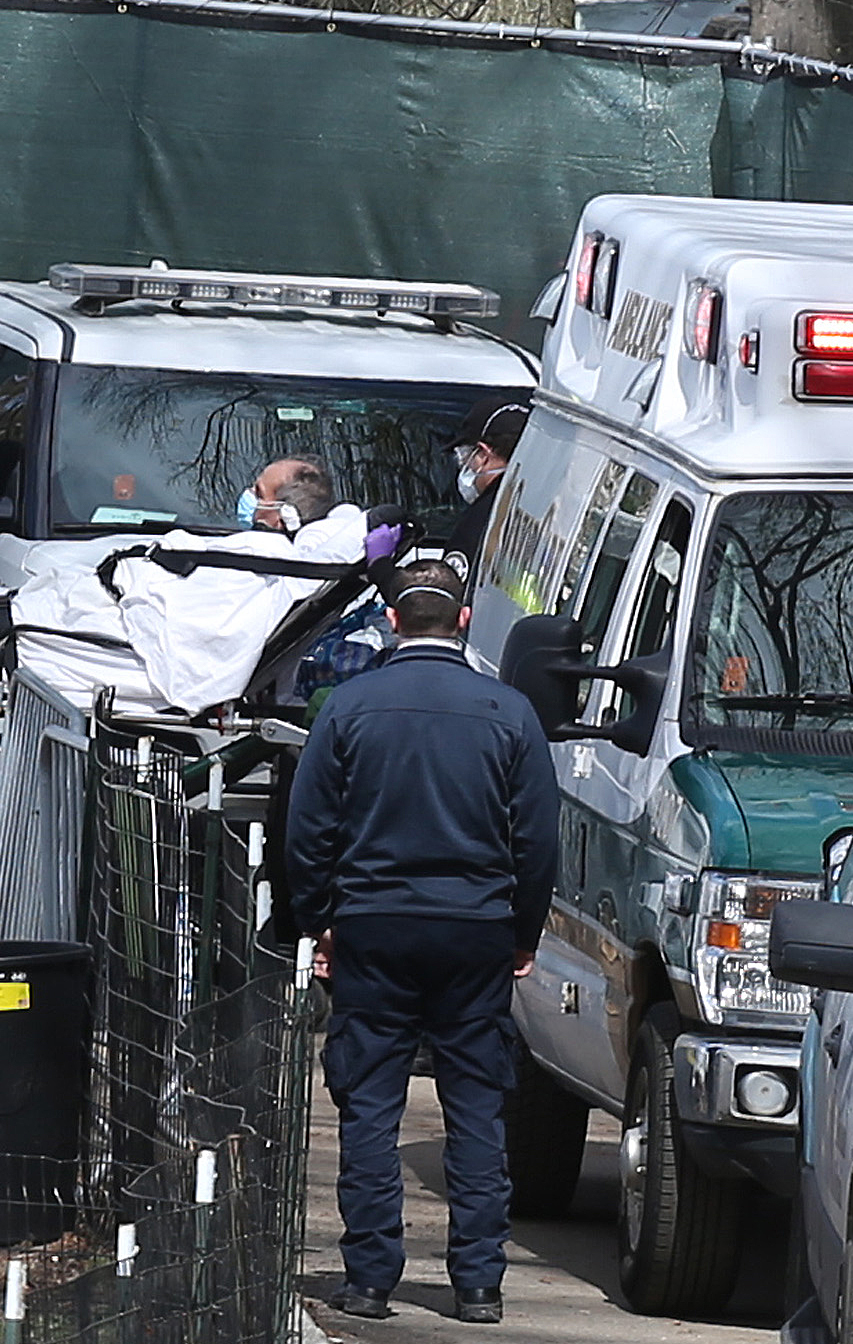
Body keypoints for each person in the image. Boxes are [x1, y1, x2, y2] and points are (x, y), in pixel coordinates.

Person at [287, 558, 560, 1325]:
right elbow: (537, 838)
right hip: (475, 928)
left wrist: (320, 922)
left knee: (369, 1104)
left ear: (394, 621)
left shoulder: (348, 708)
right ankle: (478, 1284)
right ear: (464, 620)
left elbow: (308, 830)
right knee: (475, 1106)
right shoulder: (509, 713)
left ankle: (371, 1276)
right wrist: (522, 932)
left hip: (373, 925)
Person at [0, 456, 381, 714]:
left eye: (260, 491)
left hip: (59, 627)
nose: (247, 496)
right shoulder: (263, 562)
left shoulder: (260, 568)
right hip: (61, 608)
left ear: (284, 513)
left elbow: (185, 635)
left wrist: (129, 583)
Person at [443, 395, 530, 579]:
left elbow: (445, 598)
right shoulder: (537, 499)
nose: (466, 467)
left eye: (466, 459)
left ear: (483, 454)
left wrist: (381, 567)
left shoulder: (482, 520)